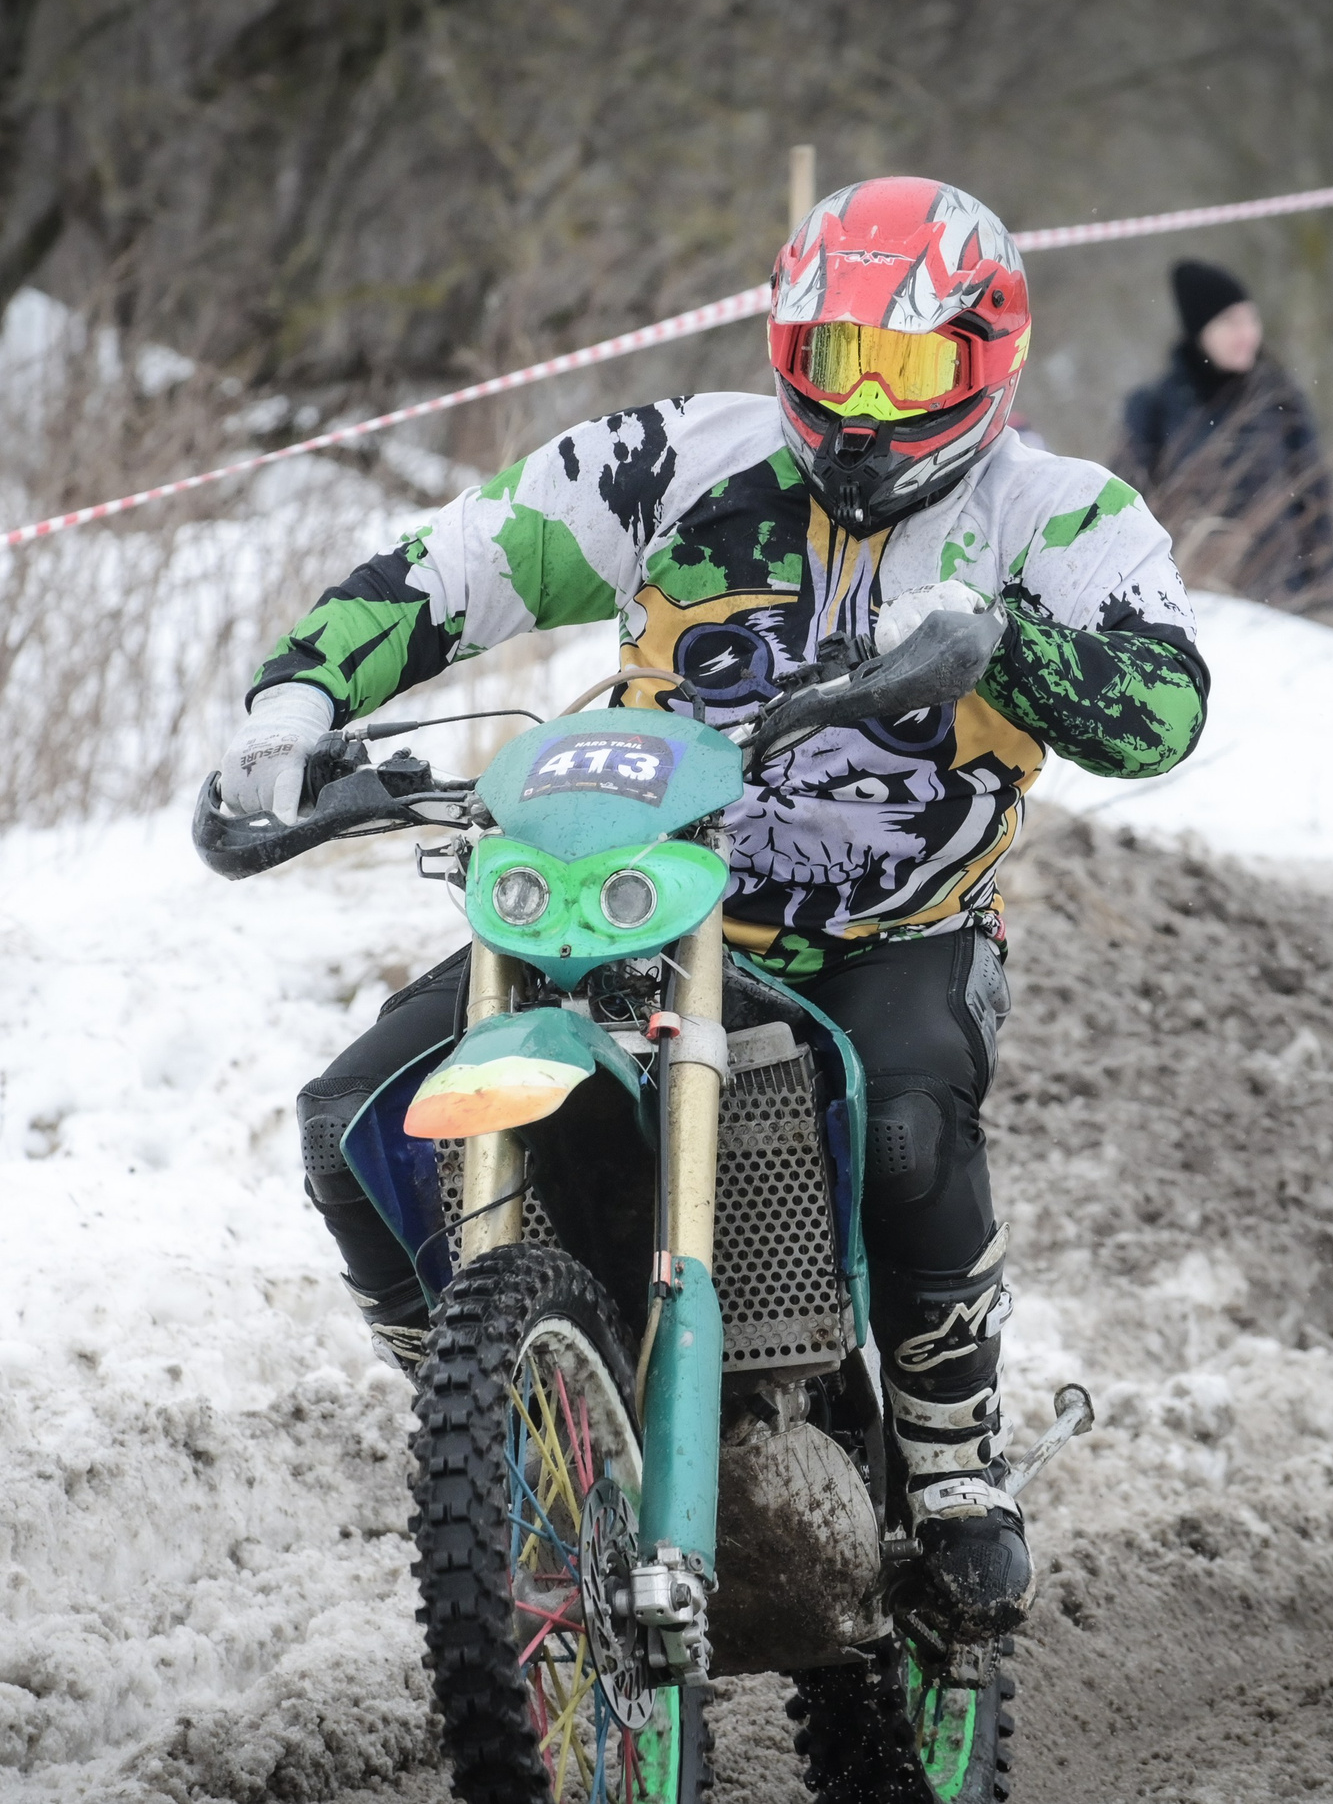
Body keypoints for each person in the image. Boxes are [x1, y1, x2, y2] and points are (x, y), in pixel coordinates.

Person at [220, 178, 1207, 1637]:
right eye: (834, 361)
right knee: (349, 1121)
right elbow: (464, 559)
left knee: (907, 1119)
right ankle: (499, 1419)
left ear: (989, 361)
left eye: (908, 368)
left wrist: (1013, 646)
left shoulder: (1060, 514)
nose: (865, 409)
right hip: (636, 889)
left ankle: (949, 1459)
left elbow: (1166, 706)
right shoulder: (673, 463)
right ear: (784, 350)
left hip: (896, 931)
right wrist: (300, 696)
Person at [1110, 260, 1333, 614]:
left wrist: (1324, 585)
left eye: (1252, 320)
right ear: (1201, 331)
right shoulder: (1154, 406)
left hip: (1283, 599)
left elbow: (1315, 498)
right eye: (1231, 323)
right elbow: (1126, 508)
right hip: (1188, 601)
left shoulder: (1281, 399)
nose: (1247, 333)